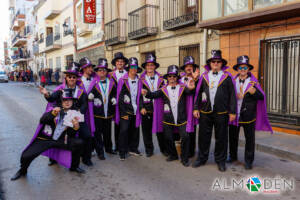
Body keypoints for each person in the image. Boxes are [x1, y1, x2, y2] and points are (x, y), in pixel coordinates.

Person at [11, 89, 85, 181]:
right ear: (61, 101)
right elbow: (43, 120)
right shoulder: (53, 109)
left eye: (69, 100)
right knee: (27, 155)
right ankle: (22, 171)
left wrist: (76, 127)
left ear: (73, 102)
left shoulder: (74, 114)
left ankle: (74, 166)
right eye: (65, 100)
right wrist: (53, 113)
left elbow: (71, 134)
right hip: (46, 139)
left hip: (61, 140)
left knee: (79, 143)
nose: (67, 102)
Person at [40, 62, 94, 167]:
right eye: (69, 76)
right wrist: (46, 93)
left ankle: (86, 158)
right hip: (62, 118)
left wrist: (78, 114)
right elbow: (51, 99)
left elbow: (84, 105)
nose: (71, 79)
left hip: (76, 118)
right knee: (55, 136)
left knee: (87, 136)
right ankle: (53, 158)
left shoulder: (81, 91)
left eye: (74, 77)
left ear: (76, 78)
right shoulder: (60, 90)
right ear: (66, 77)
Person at [141, 65, 195, 167]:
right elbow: (153, 95)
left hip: (182, 119)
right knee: (168, 138)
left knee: (185, 137)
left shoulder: (183, 88)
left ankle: (184, 158)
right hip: (167, 119)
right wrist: (146, 93)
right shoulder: (163, 89)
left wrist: (192, 88)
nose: (172, 78)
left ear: (177, 77)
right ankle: (173, 155)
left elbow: (190, 92)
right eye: (170, 76)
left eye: (174, 76)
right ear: (167, 78)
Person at [193, 50, 237, 172]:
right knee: (203, 137)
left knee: (221, 138)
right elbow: (197, 93)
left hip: (222, 112)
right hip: (205, 112)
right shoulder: (203, 77)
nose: (216, 63)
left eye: (218, 61)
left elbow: (232, 95)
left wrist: (232, 112)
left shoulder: (227, 77)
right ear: (210, 63)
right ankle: (201, 158)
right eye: (214, 61)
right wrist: (196, 108)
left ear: (221, 63)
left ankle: (220, 161)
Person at [227, 55, 273, 170]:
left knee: (250, 139)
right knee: (232, 137)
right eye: (240, 68)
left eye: (245, 68)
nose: (242, 70)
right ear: (237, 69)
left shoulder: (253, 82)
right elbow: (227, 95)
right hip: (235, 114)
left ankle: (248, 161)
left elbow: (261, 97)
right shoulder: (232, 81)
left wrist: (253, 92)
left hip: (249, 115)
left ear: (248, 69)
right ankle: (232, 156)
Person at [138, 53, 166, 157]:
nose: (150, 67)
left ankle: (164, 149)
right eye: (148, 65)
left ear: (155, 66)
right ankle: (149, 150)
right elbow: (138, 96)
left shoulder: (161, 79)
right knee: (146, 131)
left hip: (159, 108)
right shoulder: (140, 79)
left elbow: (164, 93)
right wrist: (141, 107)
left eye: (152, 65)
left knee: (160, 130)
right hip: (147, 109)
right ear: (145, 66)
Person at [88, 58, 117, 160]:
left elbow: (115, 94)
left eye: (104, 70)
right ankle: (100, 152)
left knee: (107, 132)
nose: (102, 72)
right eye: (100, 70)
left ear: (107, 72)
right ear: (97, 72)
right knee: (98, 134)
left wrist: (114, 98)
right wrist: (90, 96)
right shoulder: (94, 83)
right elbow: (89, 94)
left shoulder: (112, 83)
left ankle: (108, 148)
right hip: (97, 113)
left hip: (108, 112)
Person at [116, 57, 142, 161]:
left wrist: (141, 108)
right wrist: (123, 113)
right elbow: (120, 98)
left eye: (135, 67)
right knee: (124, 131)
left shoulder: (139, 80)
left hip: (136, 109)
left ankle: (133, 148)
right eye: (131, 67)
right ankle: (122, 152)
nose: (133, 69)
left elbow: (140, 96)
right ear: (129, 68)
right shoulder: (122, 80)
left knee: (135, 130)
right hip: (126, 110)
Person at [179, 56, 200, 158]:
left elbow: (199, 92)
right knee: (183, 130)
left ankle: (191, 151)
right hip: (183, 107)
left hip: (193, 106)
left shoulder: (198, 79)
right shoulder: (179, 79)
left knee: (192, 130)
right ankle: (184, 150)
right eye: (187, 66)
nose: (189, 68)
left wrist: (195, 80)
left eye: (191, 66)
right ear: (184, 67)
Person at [111, 52, 129, 153]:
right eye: (118, 61)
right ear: (115, 63)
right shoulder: (111, 75)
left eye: (122, 61)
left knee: (126, 126)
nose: (120, 63)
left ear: (124, 63)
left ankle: (125, 146)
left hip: (126, 103)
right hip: (115, 104)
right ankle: (117, 146)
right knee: (117, 125)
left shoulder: (129, 73)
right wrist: (113, 98)